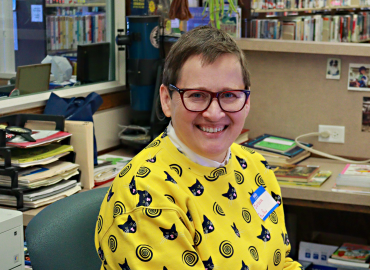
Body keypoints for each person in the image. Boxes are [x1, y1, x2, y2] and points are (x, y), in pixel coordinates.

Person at [95, 26, 302, 270]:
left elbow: (281, 262)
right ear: (166, 101)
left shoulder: (256, 168)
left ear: (246, 101)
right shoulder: (145, 196)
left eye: (229, 95)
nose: (214, 113)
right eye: (196, 96)